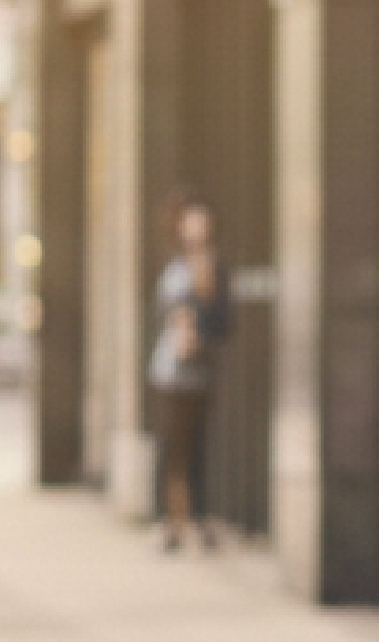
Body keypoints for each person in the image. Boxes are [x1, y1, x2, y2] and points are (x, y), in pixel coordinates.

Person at [147, 189, 229, 552]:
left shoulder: (215, 267)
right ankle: (168, 518)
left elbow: (223, 319)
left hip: (202, 370)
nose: (198, 228)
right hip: (171, 371)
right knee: (171, 446)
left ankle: (197, 517)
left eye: (203, 221)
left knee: (197, 446)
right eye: (191, 221)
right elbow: (169, 310)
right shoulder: (175, 268)